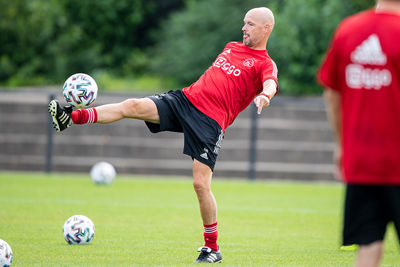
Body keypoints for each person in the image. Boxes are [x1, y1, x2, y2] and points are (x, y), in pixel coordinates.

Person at [49, 7, 278, 263]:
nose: (244, 28)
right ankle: (71, 117)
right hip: (186, 100)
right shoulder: (231, 46)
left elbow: (271, 82)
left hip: (210, 123)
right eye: (244, 23)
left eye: (250, 24)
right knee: (133, 106)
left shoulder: (264, 63)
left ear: (266, 28)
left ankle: (212, 248)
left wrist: (264, 95)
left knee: (201, 185)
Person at [317, 1, 400, 266]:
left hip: (361, 161)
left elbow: (331, 93)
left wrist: (342, 146)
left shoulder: (349, 29)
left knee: (367, 247)